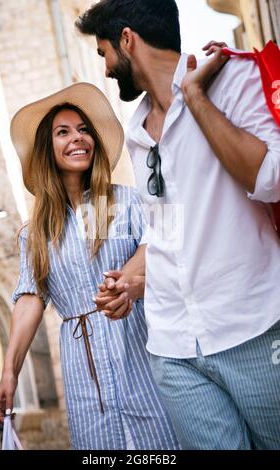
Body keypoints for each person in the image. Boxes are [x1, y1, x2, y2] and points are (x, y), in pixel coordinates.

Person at [76, 0, 280, 450]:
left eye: (105, 53)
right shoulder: (136, 130)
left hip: (253, 326)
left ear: (127, 40)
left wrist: (197, 98)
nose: (108, 68)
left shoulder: (231, 79)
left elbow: (270, 178)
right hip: (172, 348)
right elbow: (167, 229)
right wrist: (129, 283)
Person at [0, 83, 179, 451]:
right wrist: (10, 370)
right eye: (63, 132)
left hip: (142, 350)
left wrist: (132, 281)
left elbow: (170, 244)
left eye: (84, 130)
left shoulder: (126, 202)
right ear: (48, 148)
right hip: (83, 370)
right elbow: (30, 298)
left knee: (163, 445)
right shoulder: (37, 232)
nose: (78, 138)